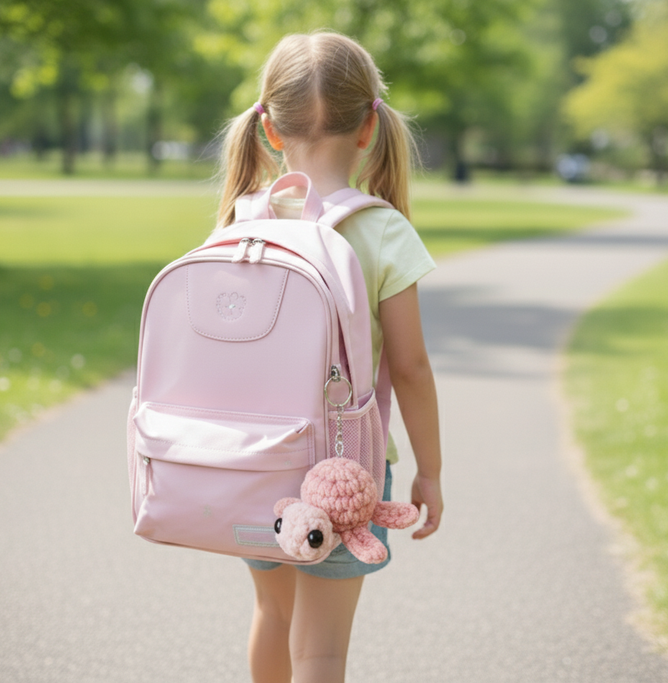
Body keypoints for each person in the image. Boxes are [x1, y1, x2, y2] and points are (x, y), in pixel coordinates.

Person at [215, 31, 444, 683]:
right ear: (370, 126)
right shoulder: (383, 229)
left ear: (269, 129)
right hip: (345, 471)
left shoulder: (241, 222)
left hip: (254, 463)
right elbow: (410, 368)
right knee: (320, 651)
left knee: (272, 612)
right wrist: (430, 470)